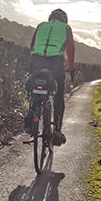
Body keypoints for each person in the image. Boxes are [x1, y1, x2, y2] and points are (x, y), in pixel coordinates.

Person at [28, 8, 75, 145]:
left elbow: (33, 46)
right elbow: (70, 50)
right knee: (58, 94)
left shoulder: (41, 26)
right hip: (55, 62)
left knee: (34, 85)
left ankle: (31, 117)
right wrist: (70, 68)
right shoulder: (66, 28)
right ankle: (57, 131)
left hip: (36, 59)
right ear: (64, 20)